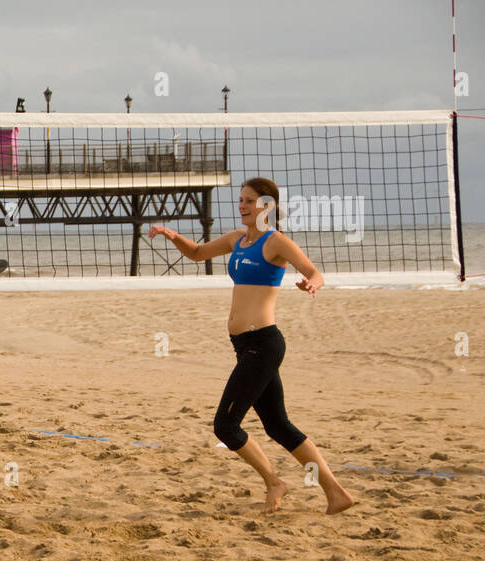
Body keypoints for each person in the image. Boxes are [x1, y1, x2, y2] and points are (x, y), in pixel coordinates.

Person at [148, 176, 354, 514]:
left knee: (226, 426)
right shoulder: (237, 240)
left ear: (266, 206)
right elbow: (197, 254)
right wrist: (172, 235)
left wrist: (312, 284)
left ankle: (274, 481)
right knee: (277, 425)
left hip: (264, 343)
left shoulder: (276, 242)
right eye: (240, 200)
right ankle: (336, 493)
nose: (241, 205)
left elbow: (314, 270)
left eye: (248, 200)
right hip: (246, 346)